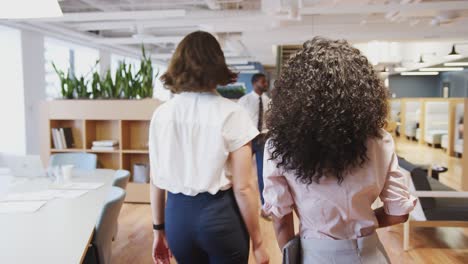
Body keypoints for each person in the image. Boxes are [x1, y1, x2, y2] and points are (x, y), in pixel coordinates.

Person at [263, 37, 417, 263]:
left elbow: (281, 219)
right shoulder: (380, 141)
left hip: (314, 254)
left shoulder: (279, 145)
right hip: (370, 255)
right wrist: (363, 222)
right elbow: (398, 213)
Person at [148, 31, 269, 264]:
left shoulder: (161, 115)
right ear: (217, 65)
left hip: (177, 219)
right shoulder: (232, 113)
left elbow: (155, 178)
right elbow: (244, 188)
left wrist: (158, 230)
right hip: (220, 217)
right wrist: (259, 243)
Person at [238, 73, 270, 218]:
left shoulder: (269, 101)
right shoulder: (244, 101)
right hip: (248, 139)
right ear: (255, 82)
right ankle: (240, 207)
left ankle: (265, 207)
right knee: (241, 174)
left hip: (263, 139)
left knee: (263, 174)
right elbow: (238, 122)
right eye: (263, 82)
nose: (266, 84)